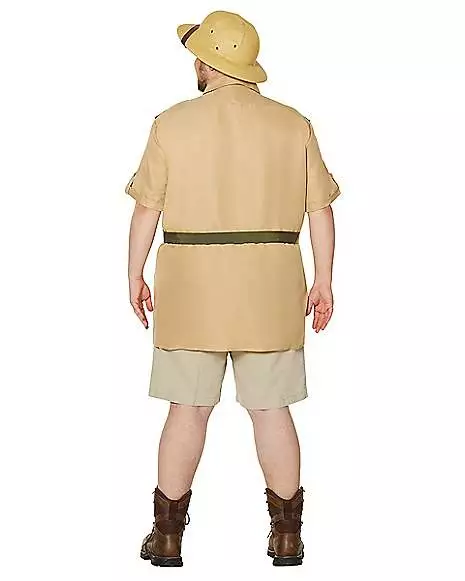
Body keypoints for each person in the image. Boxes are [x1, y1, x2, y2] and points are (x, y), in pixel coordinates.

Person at [126, 10, 341, 568]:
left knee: (186, 411)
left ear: (208, 61)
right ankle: (287, 537)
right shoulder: (293, 125)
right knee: (272, 412)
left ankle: (167, 538)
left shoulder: (170, 124)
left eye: (197, 54)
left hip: (190, 288)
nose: (194, 63)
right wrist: (323, 279)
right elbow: (320, 210)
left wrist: (134, 273)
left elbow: (147, 209)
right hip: (270, 289)